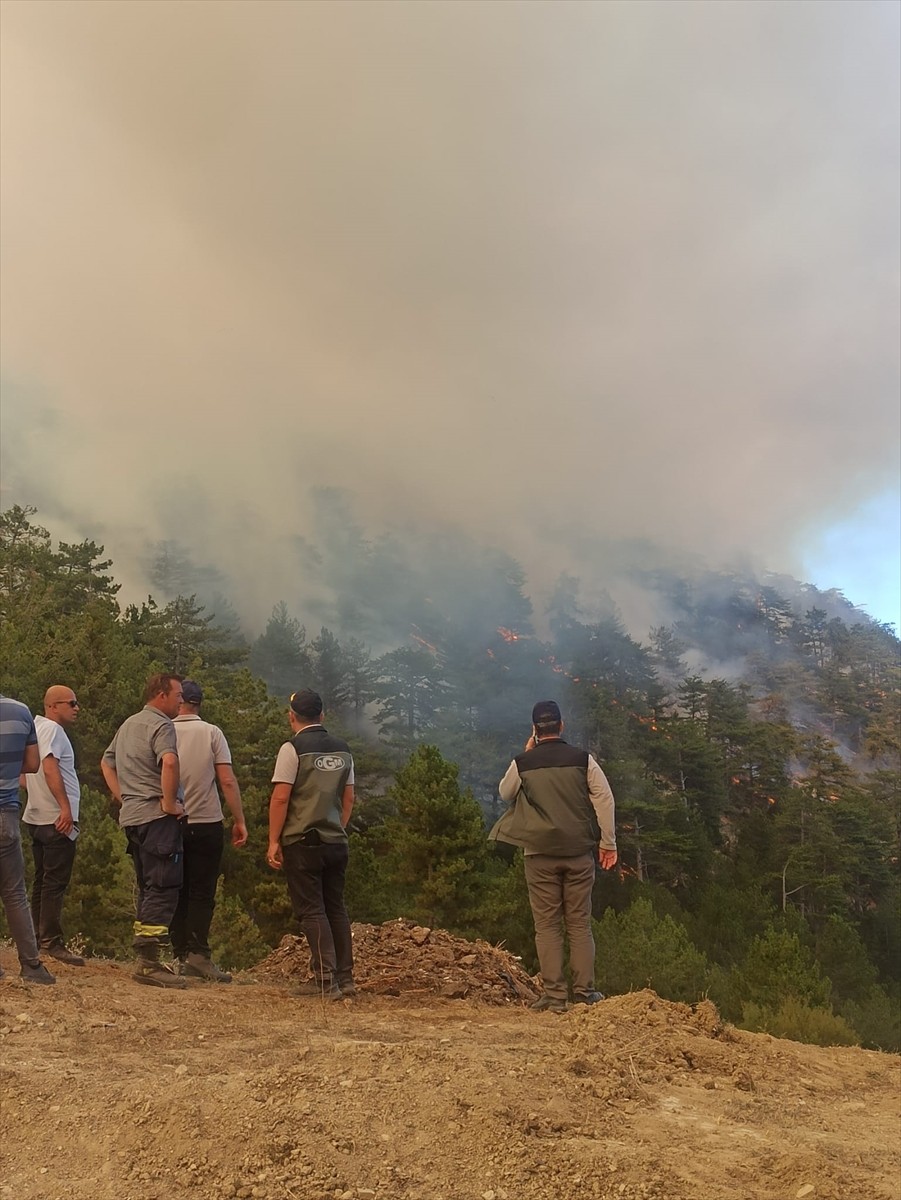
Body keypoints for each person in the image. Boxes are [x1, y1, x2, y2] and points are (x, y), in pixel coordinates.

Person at [489, 700, 617, 1014]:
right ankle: (585, 993)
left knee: (546, 926)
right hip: (578, 853)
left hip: (539, 854)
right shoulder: (583, 760)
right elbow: (605, 799)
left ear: (535, 730)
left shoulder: (523, 762)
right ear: (561, 726)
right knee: (579, 925)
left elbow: (505, 792)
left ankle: (555, 997)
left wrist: (527, 751)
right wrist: (608, 843)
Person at [100, 673, 188, 990]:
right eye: (178, 694)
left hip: (134, 818)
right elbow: (169, 762)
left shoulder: (129, 724)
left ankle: (147, 957)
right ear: (161, 694)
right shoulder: (162, 725)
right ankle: (149, 964)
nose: (182, 699)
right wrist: (168, 803)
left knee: (148, 884)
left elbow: (106, 763)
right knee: (163, 885)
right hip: (156, 817)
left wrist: (123, 796)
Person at [267, 689, 355, 1000]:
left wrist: (274, 840)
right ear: (322, 714)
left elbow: (281, 797)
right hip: (335, 841)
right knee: (336, 908)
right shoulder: (343, 750)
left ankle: (323, 980)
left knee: (311, 910)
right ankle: (345, 979)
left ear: (292, 716)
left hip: (302, 841)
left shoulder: (292, 749)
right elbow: (348, 797)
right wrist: (337, 827)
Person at [171, 680, 247, 982]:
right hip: (206, 821)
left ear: (179, 703)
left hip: (172, 820)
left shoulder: (163, 729)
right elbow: (226, 780)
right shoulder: (212, 732)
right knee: (202, 892)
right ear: (198, 704)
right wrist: (239, 819)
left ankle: (178, 953)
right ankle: (198, 955)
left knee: (175, 888)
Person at [22, 685, 85, 966]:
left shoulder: (34, 728)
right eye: (71, 703)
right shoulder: (52, 730)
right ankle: (51, 941)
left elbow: (25, 773)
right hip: (54, 819)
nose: (76, 708)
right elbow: (48, 766)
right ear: (53, 706)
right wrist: (65, 808)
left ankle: (36, 936)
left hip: (36, 816)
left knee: (42, 882)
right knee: (55, 883)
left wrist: (33, 795)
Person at [0, 695, 55, 984]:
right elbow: (33, 764)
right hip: (5, 815)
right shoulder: (20, 711)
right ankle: (31, 966)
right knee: (14, 893)